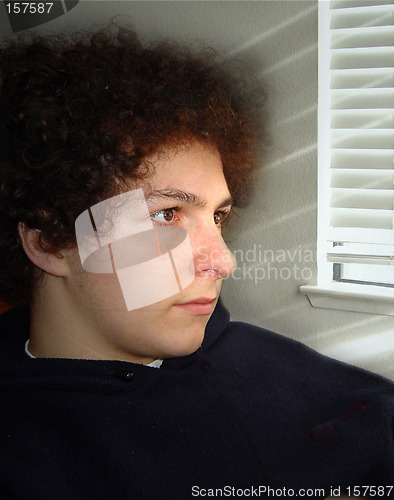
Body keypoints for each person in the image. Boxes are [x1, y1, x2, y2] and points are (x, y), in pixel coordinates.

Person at [0, 27, 393, 500]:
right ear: (49, 241)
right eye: (166, 214)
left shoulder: (258, 358)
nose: (223, 261)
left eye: (219, 215)